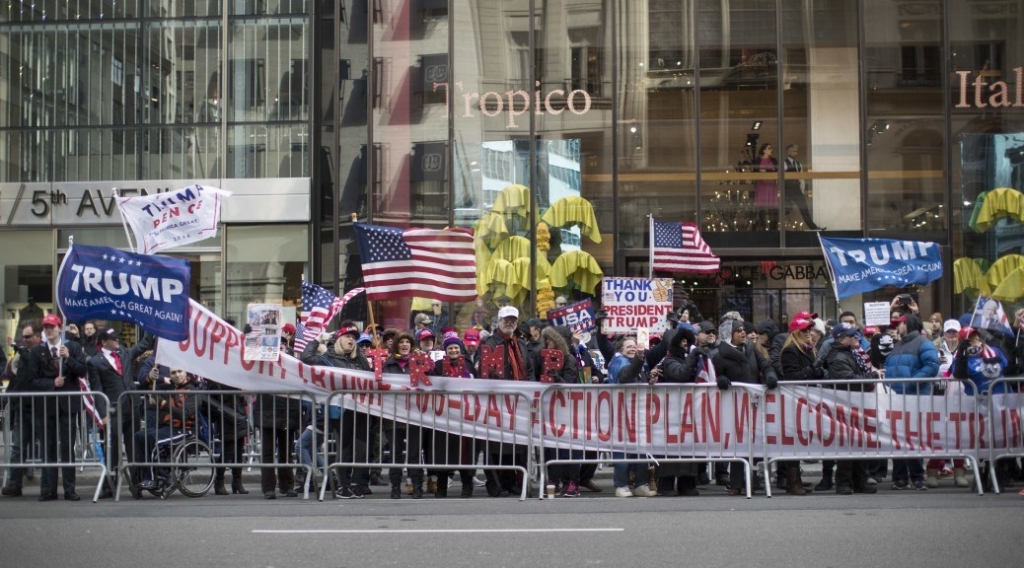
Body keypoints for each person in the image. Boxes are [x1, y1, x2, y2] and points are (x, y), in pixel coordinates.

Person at [86, 327, 155, 499]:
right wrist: (103, 414)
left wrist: (149, 325)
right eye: (113, 338)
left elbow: (143, 345)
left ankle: (136, 485)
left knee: (133, 448)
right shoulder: (95, 362)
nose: (117, 340)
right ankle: (111, 485)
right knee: (112, 449)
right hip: (113, 411)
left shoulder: (124, 352)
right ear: (104, 342)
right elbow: (97, 390)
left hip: (131, 407)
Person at [713, 319, 778, 495]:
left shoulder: (752, 350)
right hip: (734, 406)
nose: (743, 333)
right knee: (738, 445)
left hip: (755, 402)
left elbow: (766, 366)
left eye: (743, 330)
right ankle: (736, 484)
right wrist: (721, 380)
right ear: (730, 335)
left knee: (755, 442)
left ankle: (754, 481)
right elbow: (716, 376)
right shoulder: (719, 355)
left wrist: (770, 376)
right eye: (738, 330)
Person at [28, 314, 89, 501]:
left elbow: (82, 371)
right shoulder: (37, 352)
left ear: (60, 328)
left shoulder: (73, 347)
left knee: (67, 449)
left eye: (52, 327)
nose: (49, 330)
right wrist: (52, 383)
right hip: (47, 407)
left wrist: (69, 358)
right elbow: (32, 381)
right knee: (49, 448)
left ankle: (70, 489)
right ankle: (48, 490)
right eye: (46, 327)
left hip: (67, 406)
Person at [478, 306, 534, 496]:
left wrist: (531, 391)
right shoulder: (488, 344)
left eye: (513, 320)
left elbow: (530, 371)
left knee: (515, 445)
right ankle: (494, 484)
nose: (509, 323)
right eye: (506, 320)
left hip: (518, 404)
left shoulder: (521, 346)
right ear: (498, 321)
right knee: (494, 444)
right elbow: (482, 372)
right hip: (496, 404)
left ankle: (510, 482)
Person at [819, 323, 878, 495]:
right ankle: (844, 482)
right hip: (845, 405)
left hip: (856, 404)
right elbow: (849, 380)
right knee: (847, 444)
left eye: (856, 335)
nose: (856, 337)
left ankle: (859, 480)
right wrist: (872, 376)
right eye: (851, 336)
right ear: (841, 339)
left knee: (860, 443)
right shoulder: (838, 357)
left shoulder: (850, 353)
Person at [884, 314, 939, 491]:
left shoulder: (924, 343)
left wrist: (912, 382)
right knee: (898, 439)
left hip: (914, 397)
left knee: (913, 437)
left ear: (907, 324)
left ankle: (917, 477)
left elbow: (932, 365)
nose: (896, 327)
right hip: (896, 398)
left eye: (899, 323)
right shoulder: (898, 345)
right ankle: (900, 478)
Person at [777, 316, 824, 495]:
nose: (808, 333)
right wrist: (811, 370)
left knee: (800, 442)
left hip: (807, 401)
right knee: (793, 442)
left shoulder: (810, 350)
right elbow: (790, 377)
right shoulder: (790, 350)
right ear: (796, 332)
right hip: (794, 401)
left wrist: (819, 371)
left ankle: (796, 481)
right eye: (804, 330)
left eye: (809, 330)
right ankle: (792, 482)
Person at [428, 332, 478, 498]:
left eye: (456, 347)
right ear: (445, 350)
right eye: (450, 348)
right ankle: (442, 487)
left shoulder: (469, 365)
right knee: (443, 452)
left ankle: (467, 486)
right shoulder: (437, 365)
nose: (454, 350)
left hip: (465, 416)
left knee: (465, 453)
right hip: (444, 416)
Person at [606, 335, 655, 498]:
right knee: (622, 450)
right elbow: (626, 376)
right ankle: (621, 485)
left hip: (638, 413)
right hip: (621, 414)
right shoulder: (619, 362)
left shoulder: (637, 363)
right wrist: (640, 357)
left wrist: (649, 379)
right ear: (621, 350)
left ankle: (641, 484)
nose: (633, 348)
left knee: (641, 450)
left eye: (634, 345)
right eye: (629, 346)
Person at [654, 327, 702, 496]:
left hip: (688, 411)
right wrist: (693, 358)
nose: (685, 345)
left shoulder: (687, 358)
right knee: (670, 449)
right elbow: (681, 375)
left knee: (689, 447)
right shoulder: (669, 361)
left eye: (687, 342)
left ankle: (687, 483)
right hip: (672, 413)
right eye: (682, 341)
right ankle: (666, 485)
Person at [134, 369, 197, 493]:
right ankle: (148, 474)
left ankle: (152, 478)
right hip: (168, 427)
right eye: (173, 373)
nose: (177, 375)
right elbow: (147, 386)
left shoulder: (193, 390)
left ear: (186, 373)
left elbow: (184, 414)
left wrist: (162, 402)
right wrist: (150, 376)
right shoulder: (168, 387)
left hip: (185, 429)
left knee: (153, 437)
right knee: (139, 436)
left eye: (179, 371)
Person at [2, 323, 47, 498]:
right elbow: (18, 379)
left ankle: (47, 485)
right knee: (18, 447)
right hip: (23, 407)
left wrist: (25, 353)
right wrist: (10, 397)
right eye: (24, 337)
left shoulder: (43, 352)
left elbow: (38, 372)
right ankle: (15, 483)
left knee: (44, 448)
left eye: (28, 337)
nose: (25, 340)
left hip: (40, 408)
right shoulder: (22, 356)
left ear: (37, 337)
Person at [538, 326, 584, 497]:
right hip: (551, 409)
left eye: (549, 339)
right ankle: (553, 480)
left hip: (568, 409)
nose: (547, 343)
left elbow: (569, 384)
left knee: (570, 448)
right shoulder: (542, 357)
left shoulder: (569, 359)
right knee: (552, 447)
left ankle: (573, 482)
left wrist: (556, 378)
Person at [382, 331, 426, 499]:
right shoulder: (388, 364)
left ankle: (417, 486)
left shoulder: (419, 363)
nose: (405, 344)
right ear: (396, 345)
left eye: (408, 342)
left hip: (414, 415)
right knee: (395, 454)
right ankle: (395, 487)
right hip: (394, 415)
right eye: (402, 342)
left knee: (415, 453)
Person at [782, 144, 824, 230]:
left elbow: (801, 178)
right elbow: (781, 178)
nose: (795, 153)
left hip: (796, 189)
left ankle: (813, 227)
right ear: (788, 152)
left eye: (796, 151)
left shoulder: (798, 164)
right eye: (793, 151)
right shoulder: (784, 163)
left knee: (804, 209)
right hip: (787, 189)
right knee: (785, 210)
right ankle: (781, 229)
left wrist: (801, 190)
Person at [753, 143, 779, 230]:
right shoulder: (757, 160)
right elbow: (755, 171)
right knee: (762, 207)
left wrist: (766, 171)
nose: (771, 150)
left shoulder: (774, 160)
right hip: (761, 185)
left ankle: (773, 228)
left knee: (772, 207)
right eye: (769, 148)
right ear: (764, 150)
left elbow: (776, 170)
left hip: (771, 185)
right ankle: (763, 227)